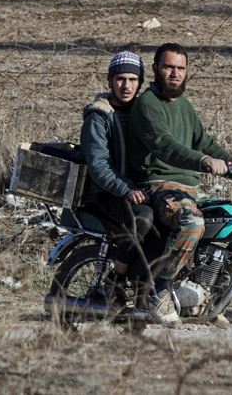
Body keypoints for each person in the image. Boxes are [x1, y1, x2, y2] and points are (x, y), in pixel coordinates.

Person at [128, 42, 232, 327]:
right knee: (191, 223)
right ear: (155, 69)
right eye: (168, 67)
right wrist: (203, 161)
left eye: (180, 68)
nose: (175, 74)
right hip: (160, 186)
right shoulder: (147, 105)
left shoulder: (185, 106)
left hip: (191, 189)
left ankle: (206, 293)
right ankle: (159, 290)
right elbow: (164, 146)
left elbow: (206, 143)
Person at [80, 50, 154, 307]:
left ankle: (150, 295)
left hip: (137, 189)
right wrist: (124, 188)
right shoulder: (99, 115)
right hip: (106, 193)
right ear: (110, 80)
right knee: (142, 220)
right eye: (121, 79)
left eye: (133, 80)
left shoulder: (141, 112)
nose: (127, 86)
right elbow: (98, 164)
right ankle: (116, 277)